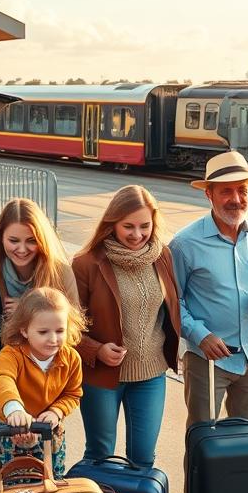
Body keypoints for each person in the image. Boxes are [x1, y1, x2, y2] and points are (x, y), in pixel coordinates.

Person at [170, 150, 248, 430]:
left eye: (242, 190)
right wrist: (200, 335)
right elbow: (171, 301)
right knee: (203, 439)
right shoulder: (185, 243)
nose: (236, 199)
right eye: (226, 192)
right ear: (209, 194)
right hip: (207, 361)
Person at [72, 185, 181, 468]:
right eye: (128, 226)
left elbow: (170, 309)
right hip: (103, 376)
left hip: (151, 375)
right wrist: (96, 350)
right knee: (100, 454)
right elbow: (69, 327)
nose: (137, 234)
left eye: (145, 226)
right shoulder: (86, 264)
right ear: (112, 224)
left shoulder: (163, 256)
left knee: (143, 459)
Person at [0, 287, 84, 479]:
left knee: (51, 478)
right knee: (11, 479)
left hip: (47, 427)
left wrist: (57, 411)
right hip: (11, 425)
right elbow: (3, 379)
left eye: (60, 331)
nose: (53, 339)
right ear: (24, 330)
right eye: (43, 332)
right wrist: (14, 409)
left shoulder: (71, 358)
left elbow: (73, 394)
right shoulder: (12, 354)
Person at [0, 198, 78, 318]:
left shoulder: (61, 272)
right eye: (14, 241)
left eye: (31, 241)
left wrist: (27, 310)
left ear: (42, 240)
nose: (22, 249)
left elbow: (73, 323)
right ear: (0, 238)